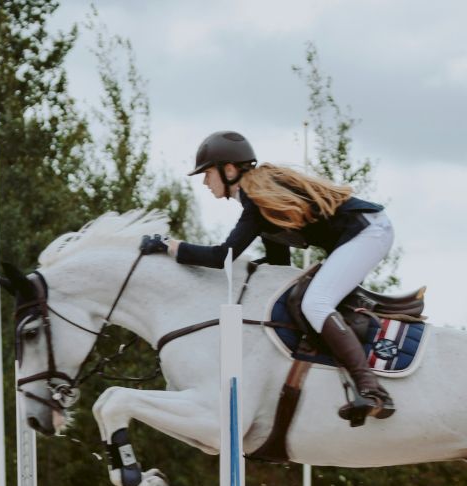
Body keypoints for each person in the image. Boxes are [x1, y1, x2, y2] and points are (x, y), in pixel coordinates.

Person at [140, 130, 397, 423]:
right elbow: (278, 262)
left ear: (229, 169)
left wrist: (169, 246)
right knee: (308, 300)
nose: (204, 182)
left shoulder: (256, 198)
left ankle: (372, 389)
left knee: (315, 303)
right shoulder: (261, 197)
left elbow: (221, 256)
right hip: (362, 232)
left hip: (368, 231)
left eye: (207, 173)